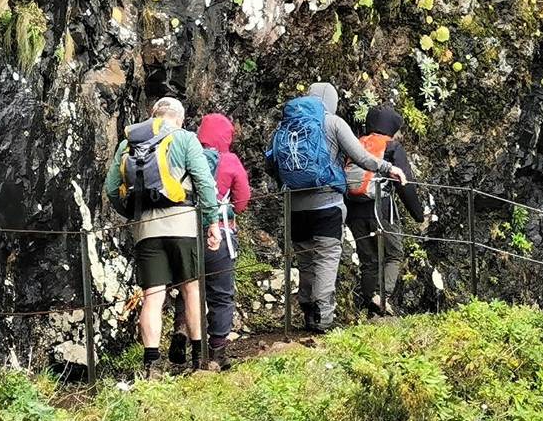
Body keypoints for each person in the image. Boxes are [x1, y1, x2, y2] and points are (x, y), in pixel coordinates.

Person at [266, 83, 404, 332]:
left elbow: (271, 162)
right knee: (327, 258)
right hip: (327, 203)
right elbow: (361, 157)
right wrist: (388, 169)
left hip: (295, 207)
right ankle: (323, 319)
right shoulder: (333, 122)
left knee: (306, 260)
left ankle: (308, 313)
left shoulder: (285, 125)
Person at [103, 97, 222, 379]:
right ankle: (199, 361)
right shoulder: (184, 138)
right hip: (182, 226)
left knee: (152, 297)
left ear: (153, 116)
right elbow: (204, 183)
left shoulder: (128, 144)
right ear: (179, 119)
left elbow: (111, 189)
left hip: (146, 230)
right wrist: (211, 222)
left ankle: (151, 366)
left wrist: (135, 213)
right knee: (191, 290)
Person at [170, 112, 251, 372]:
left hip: (184, 233)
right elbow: (242, 200)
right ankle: (217, 353)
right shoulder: (229, 161)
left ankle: (182, 330)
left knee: (188, 288)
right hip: (219, 236)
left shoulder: (184, 154)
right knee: (221, 295)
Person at [345, 103, 426, 316]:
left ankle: (369, 306)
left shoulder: (356, 143)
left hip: (353, 209)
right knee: (394, 253)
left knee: (368, 259)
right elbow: (404, 184)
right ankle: (382, 297)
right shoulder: (391, 148)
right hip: (381, 209)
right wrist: (417, 215)